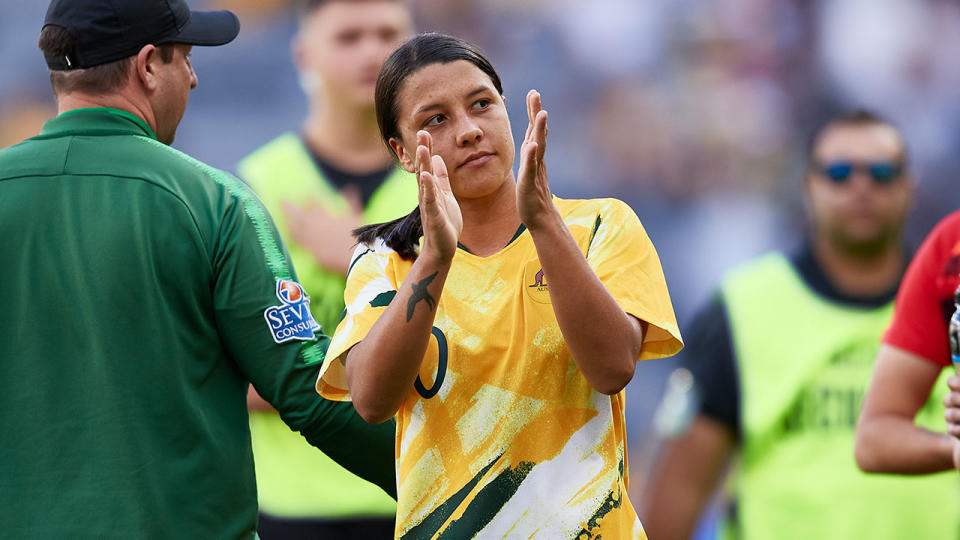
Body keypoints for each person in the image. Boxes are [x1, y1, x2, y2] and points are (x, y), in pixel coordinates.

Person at [0, 0, 395, 537]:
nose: (193, 76)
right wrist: (446, 480)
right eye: (183, 57)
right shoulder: (215, 202)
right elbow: (310, 387)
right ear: (146, 66)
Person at [315, 32, 684, 539]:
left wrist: (544, 223)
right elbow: (372, 400)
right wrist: (435, 259)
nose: (468, 131)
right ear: (401, 152)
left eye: (481, 104)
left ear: (508, 111)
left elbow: (613, 367)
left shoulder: (601, 225)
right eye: (436, 119)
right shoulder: (387, 259)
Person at [641, 111, 959, 540]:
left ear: (910, 187)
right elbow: (680, 487)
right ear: (808, 186)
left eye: (882, 172)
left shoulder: (950, 296)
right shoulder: (742, 308)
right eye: (839, 172)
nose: (861, 187)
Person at [236, 0, 414, 536]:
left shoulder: (445, 183)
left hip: (419, 497)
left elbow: (486, 352)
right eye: (348, 36)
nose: (371, 51)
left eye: (387, 34)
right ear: (303, 54)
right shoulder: (255, 187)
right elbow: (229, 373)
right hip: (290, 507)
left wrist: (357, 261)